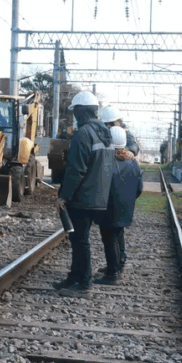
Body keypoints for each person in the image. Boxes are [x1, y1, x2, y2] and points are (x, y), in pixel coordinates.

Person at [54, 90, 116, 294]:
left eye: (75, 111)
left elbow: (76, 169)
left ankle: (84, 284)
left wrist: (64, 195)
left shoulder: (83, 134)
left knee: (80, 241)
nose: (75, 116)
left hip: (82, 197)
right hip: (98, 197)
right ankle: (74, 277)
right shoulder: (106, 133)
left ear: (81, 111)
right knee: (79, 239)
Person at [94, 126, 142, 285]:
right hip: (125, 207)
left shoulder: (106, 162)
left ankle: (113, 274)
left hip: (109, 207)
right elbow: (139, 188)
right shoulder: (133, 163)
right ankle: (117, 265)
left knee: (109, 239)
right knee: (118, 235)